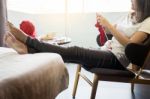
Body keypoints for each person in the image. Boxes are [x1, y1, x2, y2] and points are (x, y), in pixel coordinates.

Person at [4, 0, 150, 71]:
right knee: (72, 53)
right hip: (107, 50)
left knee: (74, 51)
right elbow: (113, 35)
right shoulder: (131, 16)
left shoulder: (148, 21)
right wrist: (105, 29)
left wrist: (110, 26)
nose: (131, 0)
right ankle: (28, 49)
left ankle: (27, 40)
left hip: (117, 60)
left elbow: (130, 45)